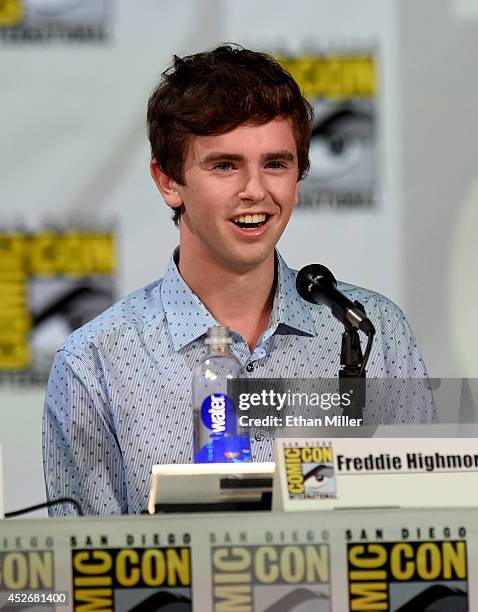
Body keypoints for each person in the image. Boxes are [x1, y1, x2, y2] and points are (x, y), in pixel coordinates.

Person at [42, 45, 436, 517]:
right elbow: (85, 575)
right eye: (225, 165)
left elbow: (430, 531)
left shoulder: (374, 330)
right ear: (168, 181)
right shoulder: (94, 363)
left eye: (275, 163)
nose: (255, 190)